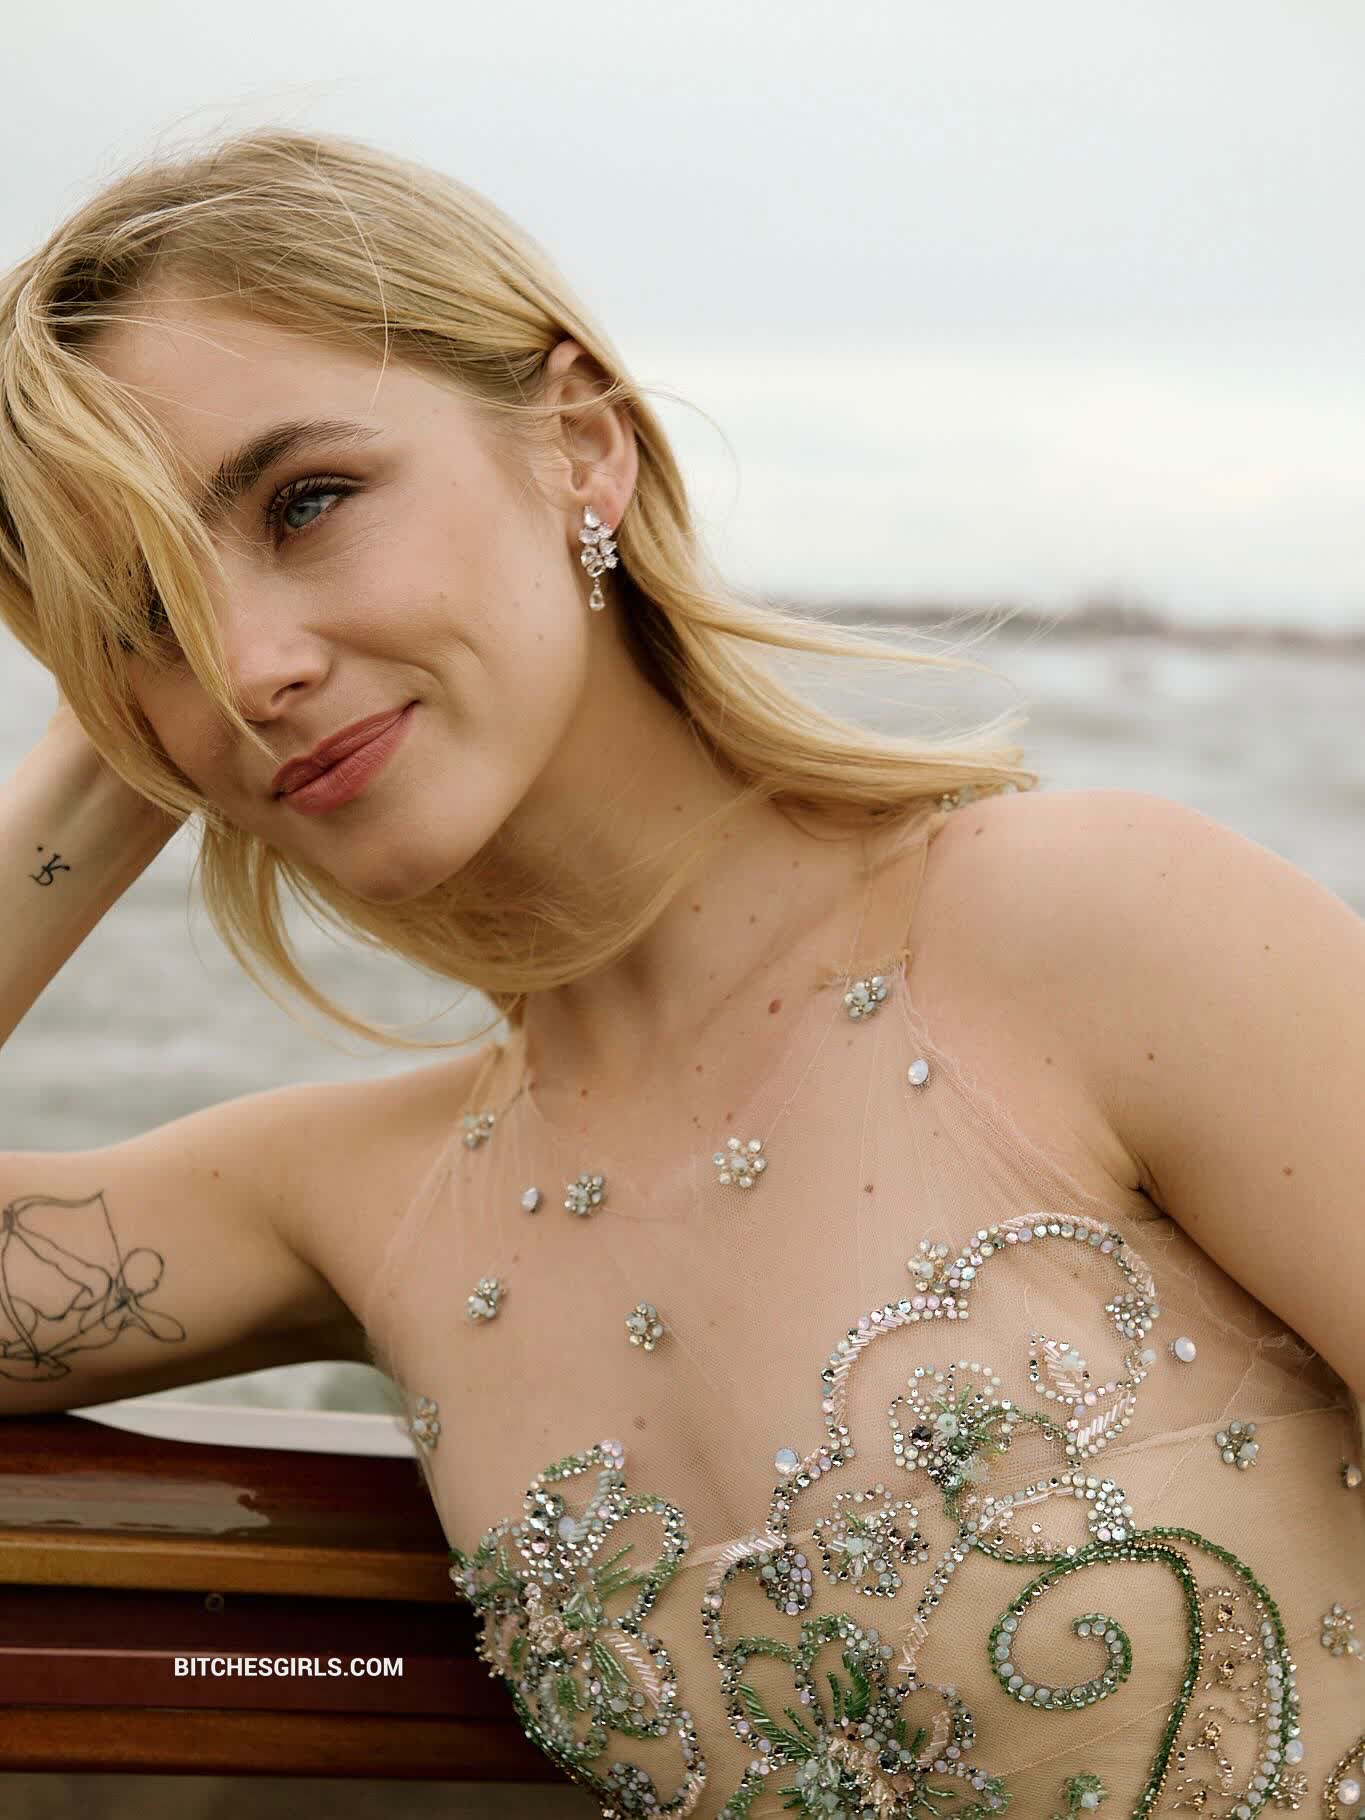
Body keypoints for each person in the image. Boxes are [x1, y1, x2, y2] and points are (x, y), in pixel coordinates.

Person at [0, 128, 1360, 1820]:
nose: (249, 664)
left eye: (309, 502)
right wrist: (100, 768)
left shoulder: (1091, 931)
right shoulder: (365, 1199)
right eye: (139, 610)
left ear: (579, 444)